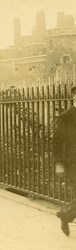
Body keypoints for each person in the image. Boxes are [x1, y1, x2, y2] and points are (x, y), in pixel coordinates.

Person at [53, 85, 76, 236]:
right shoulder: (66, 117)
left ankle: (65, 214)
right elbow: (57, 141)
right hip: (73, 161)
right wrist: (59, 164)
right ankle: (65, 214)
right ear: (74, 96)